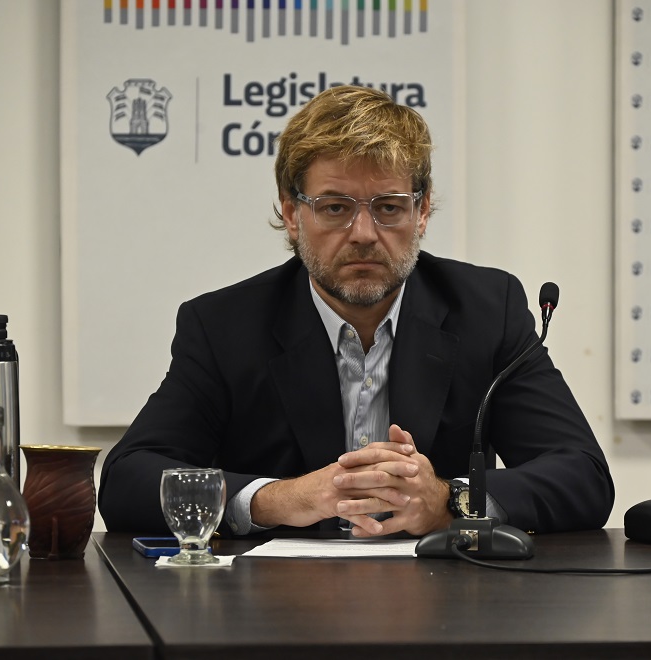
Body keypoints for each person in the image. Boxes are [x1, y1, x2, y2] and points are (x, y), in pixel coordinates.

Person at [98, 85, 613, 538]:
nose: (364, 234)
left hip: (447, 601)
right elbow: (127, 480)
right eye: (335, 207)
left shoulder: (486, 310)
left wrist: (448, 500)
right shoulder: (225, 326)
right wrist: (282, 499)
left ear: (422, 210)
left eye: (388, 207)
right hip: (273, 605)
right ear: (292, 213)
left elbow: (582, 475)